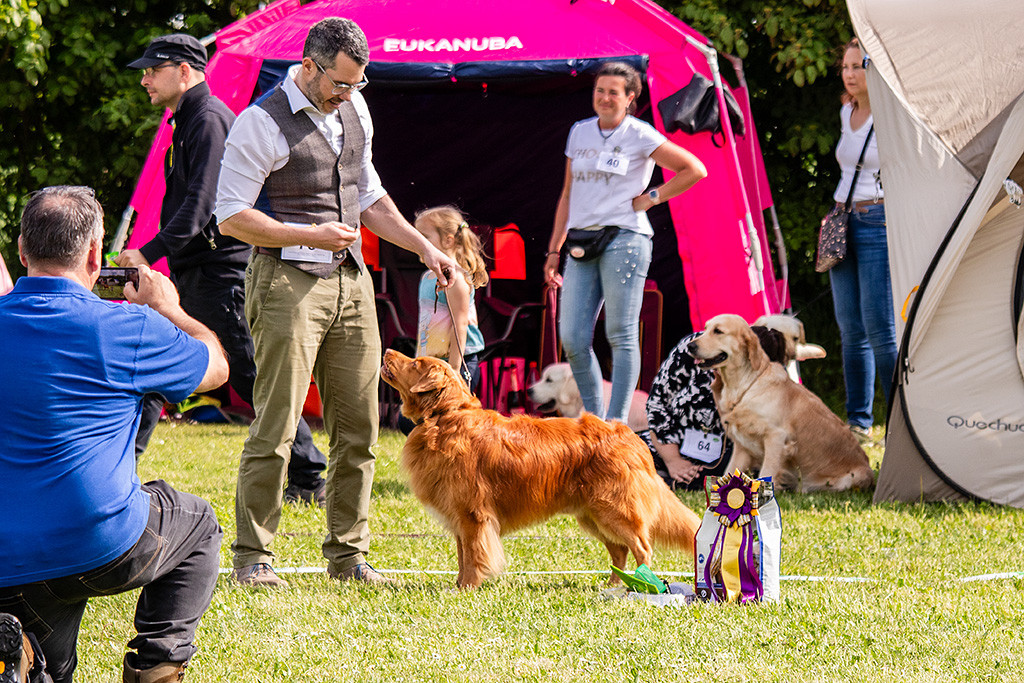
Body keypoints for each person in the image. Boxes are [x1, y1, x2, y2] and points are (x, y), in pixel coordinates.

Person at [215, 17, 458, 588]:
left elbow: (368, 193)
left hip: (350, 282)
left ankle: (349, 558)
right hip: (284, 280)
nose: (348, 94)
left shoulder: (357, 109)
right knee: (276, 423)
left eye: (358, 84)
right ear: (309, 66)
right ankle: (253, 559)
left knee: (360, 426)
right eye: (340, 84)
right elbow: (230, 215)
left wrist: (424, 246)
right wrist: (309, 235)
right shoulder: (259, 122)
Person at [0, 186, 228, 682]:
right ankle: (155, 667)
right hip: (96, 539)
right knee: (199, 524)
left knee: (46, 667)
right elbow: (216, 368)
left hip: (5, 555)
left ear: (21, 251)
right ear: (94, 255)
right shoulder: (129, 326)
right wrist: (170, 309)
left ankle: (21, 656)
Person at [116, 33, 328, 505]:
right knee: (157, 362)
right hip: (200, 272)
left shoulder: (208, 120)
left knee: (252, 375)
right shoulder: (189, 122)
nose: (145, 78)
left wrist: (147, 254)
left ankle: (311, 477)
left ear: (186, 71)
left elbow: (201, 207)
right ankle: (120, 465)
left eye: (153, 69)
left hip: (221, 275)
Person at [543, 61, 707, 424]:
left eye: (613, 92)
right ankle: (595, 416)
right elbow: (568, 193)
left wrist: (651, 197)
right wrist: (555, 248)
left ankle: (616, 423)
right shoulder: (579, 132)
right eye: (599, 90)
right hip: (581, 242)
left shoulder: (640, 134)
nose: (604, 97)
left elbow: (694, 169)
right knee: (571, 337)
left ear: (630, 97)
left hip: (625, 239)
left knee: (619, 332)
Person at [827, 38, 897, 440]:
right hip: (843, 222)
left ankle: (900, 422)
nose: (851, 75)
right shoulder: (845, 111)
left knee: (880, 330)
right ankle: (859, 424)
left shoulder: (889, 118)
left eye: (859, 67)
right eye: (846, 67)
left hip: (878, 221)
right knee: (850, 330)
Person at [642, 326, 787, 489]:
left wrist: (719, 391)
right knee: (629, 454)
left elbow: (743, 432)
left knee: (733, 475)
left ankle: (669, 482)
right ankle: (667, 479)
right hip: (671, 442)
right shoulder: (695, 347)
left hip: (727, 454)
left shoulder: (772, 377)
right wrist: (672, 460)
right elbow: (658, 403)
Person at [413, 206, 487, 385]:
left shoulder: (456, 279)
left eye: (425, 237)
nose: (418, 242)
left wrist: (454, 370)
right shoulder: (427, 276)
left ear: (448, 240)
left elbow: (459, 326)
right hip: (434, 361)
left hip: (458, 362)